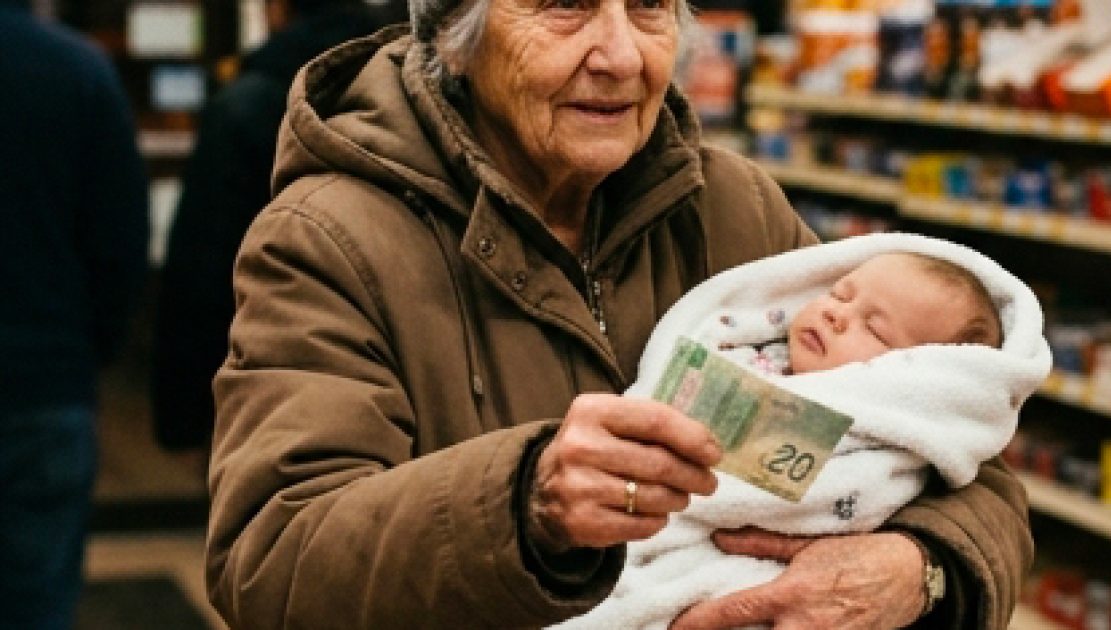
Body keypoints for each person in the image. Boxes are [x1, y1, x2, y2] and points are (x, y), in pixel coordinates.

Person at [205, 1, 1034, 628]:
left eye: (648, 6)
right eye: (564, 3)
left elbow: (959, 447)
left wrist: (917, 568)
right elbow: (272, 561)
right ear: (460, 27)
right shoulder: (329, 241)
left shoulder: (733, 210)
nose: (620, 55)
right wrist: (522, 504)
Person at [553, 235, 1054, 629]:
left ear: (914, 375)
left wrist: (922, 563)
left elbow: (987, 501)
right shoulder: (747, 354)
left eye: (875, 329)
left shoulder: (887, 431)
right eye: (839, 293)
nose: (836, 313)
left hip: (740, 580)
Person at [152, 0, 385, 451]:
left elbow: (200, 272)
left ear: (277, 8)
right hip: (386, 375)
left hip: (257, 385)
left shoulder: (244, 108)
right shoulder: (405, 94)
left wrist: (181, 416)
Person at [0, 1, 149, 627]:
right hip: (46, 383)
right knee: (37, 605)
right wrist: (94, 349)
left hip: (48, 377)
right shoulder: (77, 72)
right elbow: (119, 242)